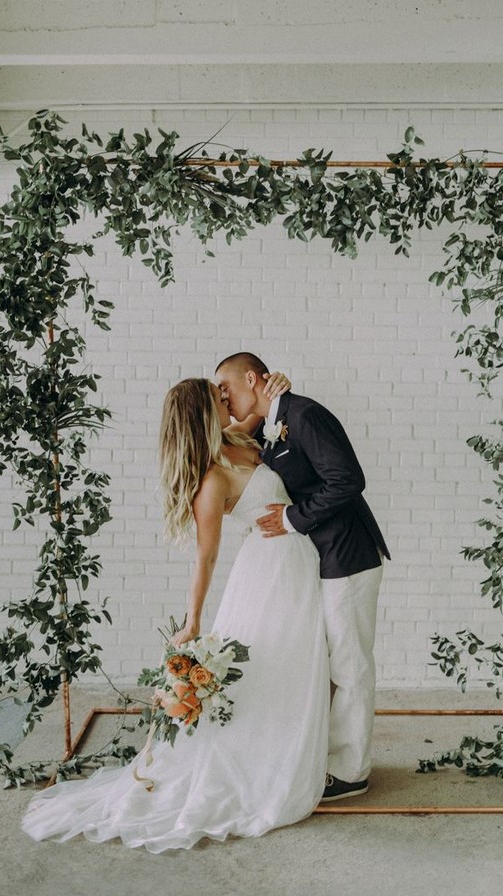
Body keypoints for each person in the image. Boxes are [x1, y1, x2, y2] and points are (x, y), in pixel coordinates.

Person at [22, 376, 330, 852]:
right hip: (267, 573)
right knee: (275, 667)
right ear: (203, 413)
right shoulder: (212, 480)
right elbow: (204, 558)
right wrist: (193, 621)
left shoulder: (241, 435)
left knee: (296, 664)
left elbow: (268, 408)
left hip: (298, 561)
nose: (226, 398)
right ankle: (263, 763)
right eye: (217, 396)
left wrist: (279, 386)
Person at [215, 352, 390, 802]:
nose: (223, 397)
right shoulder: (273, 419)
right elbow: (225, 430)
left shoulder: (305, 414)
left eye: (226, 387)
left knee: (350, 664)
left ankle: (351, 771)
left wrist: (293, 518)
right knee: (334, 661)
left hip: (347, 555)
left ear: (252, 378)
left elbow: (348, 479)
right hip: (322, 558)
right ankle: (330, 757)